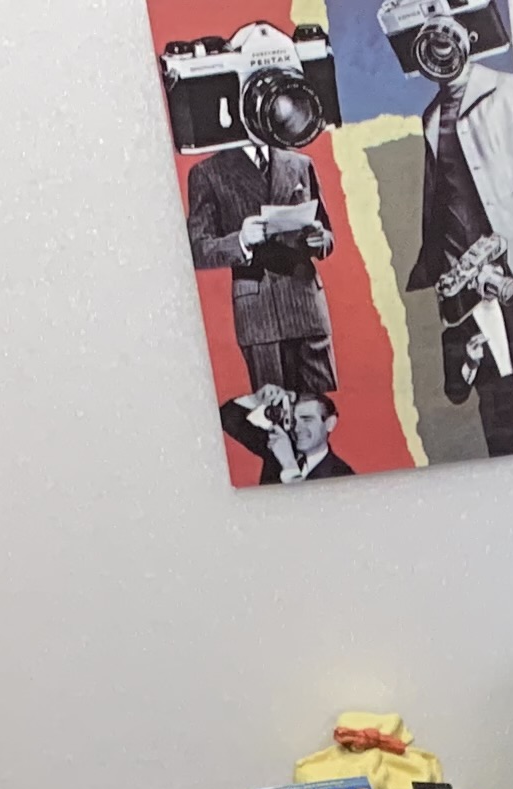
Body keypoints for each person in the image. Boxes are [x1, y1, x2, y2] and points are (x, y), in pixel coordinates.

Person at [185, 21, 346, 478]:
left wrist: (319, 240)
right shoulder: (209, 173)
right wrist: (239, 240)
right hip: (260, 315)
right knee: (273, 417)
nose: (282, 110)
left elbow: (327, 233)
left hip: (306, 305)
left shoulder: (300, 161)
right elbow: (197, 249)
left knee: (318, 414)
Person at [398, 0, 513, 455]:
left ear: (470, 35)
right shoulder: (430, 118)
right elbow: (444, 204)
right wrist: (454, 271)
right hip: (473, 276)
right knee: (493, 391)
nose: (440, 48)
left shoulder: (510, 91)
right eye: (429, 41)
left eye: (447, 36)